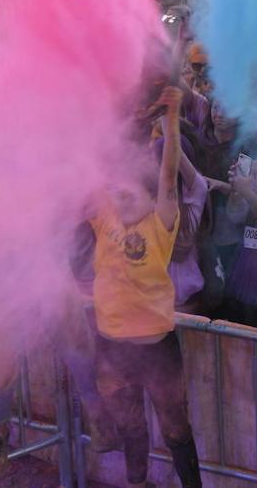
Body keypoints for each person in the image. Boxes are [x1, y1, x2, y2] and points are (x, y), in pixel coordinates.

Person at [89, 86, 202, 488]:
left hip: (156, 346)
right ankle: (136, 484)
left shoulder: (161, 224)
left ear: (147, 192)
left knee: (175, 427)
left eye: (127, 190)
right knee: (130, 427)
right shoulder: (105, 219)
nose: (117, 195)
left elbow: (169, 173)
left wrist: (170, 120)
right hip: (112, 344)